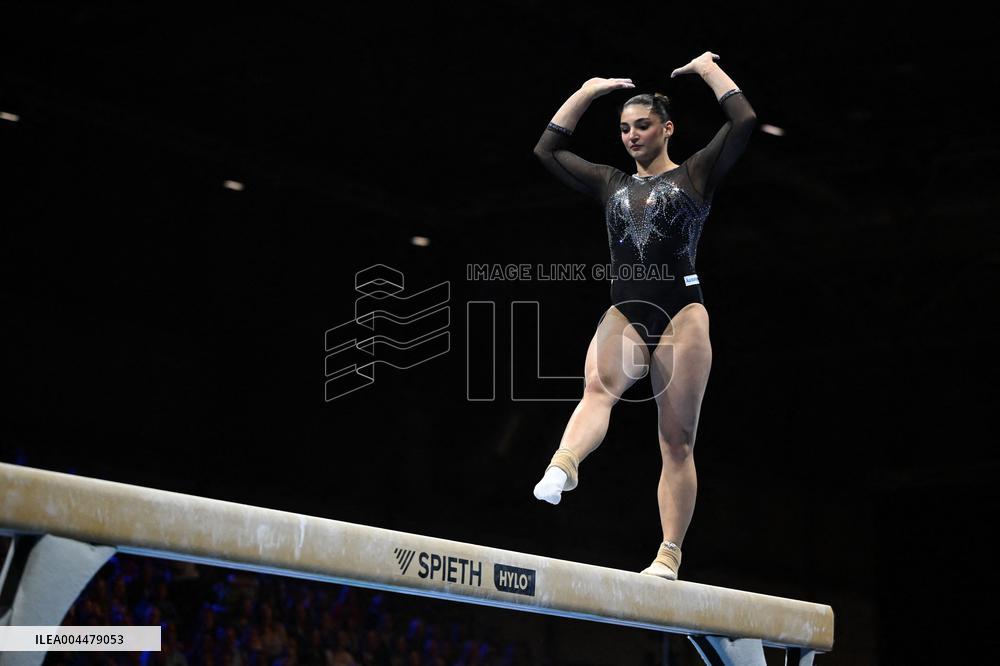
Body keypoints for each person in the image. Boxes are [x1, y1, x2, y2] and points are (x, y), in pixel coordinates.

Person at [530, 52, 756, 581]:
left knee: (675, 441)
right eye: (624, 128)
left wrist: (706, 69)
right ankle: (564, 465)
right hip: (627, 309)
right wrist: (587, 90)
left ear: (667, 128)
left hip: (682, 314)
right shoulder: (610, 182)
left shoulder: (697, 173)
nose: (631, 135)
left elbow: (743, 120)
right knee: (597, 389)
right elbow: (547, 149)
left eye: (643, 125)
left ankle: (668, 555)